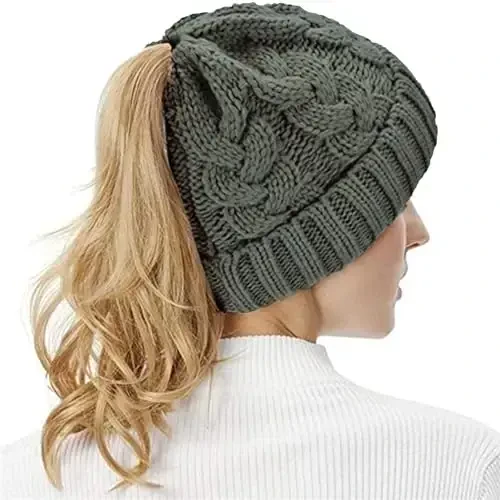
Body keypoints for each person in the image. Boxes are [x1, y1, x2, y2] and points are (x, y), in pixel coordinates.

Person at [1, 2, 499, 499]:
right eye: (396, 201)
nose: (418, 232)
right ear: (316, 236)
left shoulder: (32, 475)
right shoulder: (456, 466)